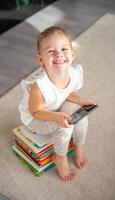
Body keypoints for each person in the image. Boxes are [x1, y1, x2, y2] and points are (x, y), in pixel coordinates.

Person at [19, 26, 96, 181]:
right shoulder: (39, 85)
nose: (59, 54)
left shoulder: (73, 73)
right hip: (36, 118)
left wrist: (81, 101)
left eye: (64, 49)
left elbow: (67, 92)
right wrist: (56, 117)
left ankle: (78, 146)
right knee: (65, 126)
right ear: (41, 59)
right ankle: (59, 157)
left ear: (72, 54)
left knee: (81, 116)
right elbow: (35, 111)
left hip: (55, 107)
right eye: (50, 51)